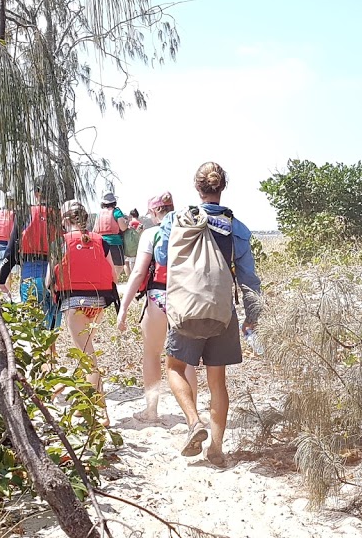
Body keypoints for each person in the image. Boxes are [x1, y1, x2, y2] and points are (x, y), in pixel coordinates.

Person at [154, 162, 262, 466]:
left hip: (186, 306)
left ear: (197, 188)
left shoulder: (177, 219)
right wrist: (252, 317)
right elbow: (248, 278)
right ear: (222, 187)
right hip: (222, 311)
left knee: (174, 367)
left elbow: (163, 256)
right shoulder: (237, 227)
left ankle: (193, 422)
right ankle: (216, 449)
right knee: (217, 381)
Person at [116, 192, 197, 422]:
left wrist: (124, 308)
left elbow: (139, 272)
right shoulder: (189, 231)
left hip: (158, 299)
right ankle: (191, 415)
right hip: (186, 298)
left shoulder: (151, 233)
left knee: (151, 354)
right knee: (186, 359)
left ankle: (151, 410)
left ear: (153, 213)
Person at [56, 199, 120, 425]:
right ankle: (83, 405)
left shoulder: (61, 241)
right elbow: (114, 276)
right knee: (86, 352)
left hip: (74, 303)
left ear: (65, 220)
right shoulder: (100, 241)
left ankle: (102, 411)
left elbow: (48, 279)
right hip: (99, 303)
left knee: (87, 356)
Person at [1, 186, 63, 328]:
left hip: (31, 271)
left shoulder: (25, 213)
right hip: (57, 275)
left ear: (36, 193)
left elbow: (11, 249)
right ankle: (51, 350)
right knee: (52, 328)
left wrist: (1, 278)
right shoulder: (61, 216)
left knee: (34, 327)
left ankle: (41, 349)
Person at [92, 192, 128, 282]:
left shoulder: (99, 214)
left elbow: (95, 229)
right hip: (115, 243)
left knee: (104, 266)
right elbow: (123, 227)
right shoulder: (117, 212)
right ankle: (113, 283)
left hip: (101, 243)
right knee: (118, 266)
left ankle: (106, 283)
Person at [122, 208, 143, 276]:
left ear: (131, 215)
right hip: (137, 246)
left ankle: (130, 278)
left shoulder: (130, 223)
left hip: (129, 247)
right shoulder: (140, 224)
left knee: (127, 263)